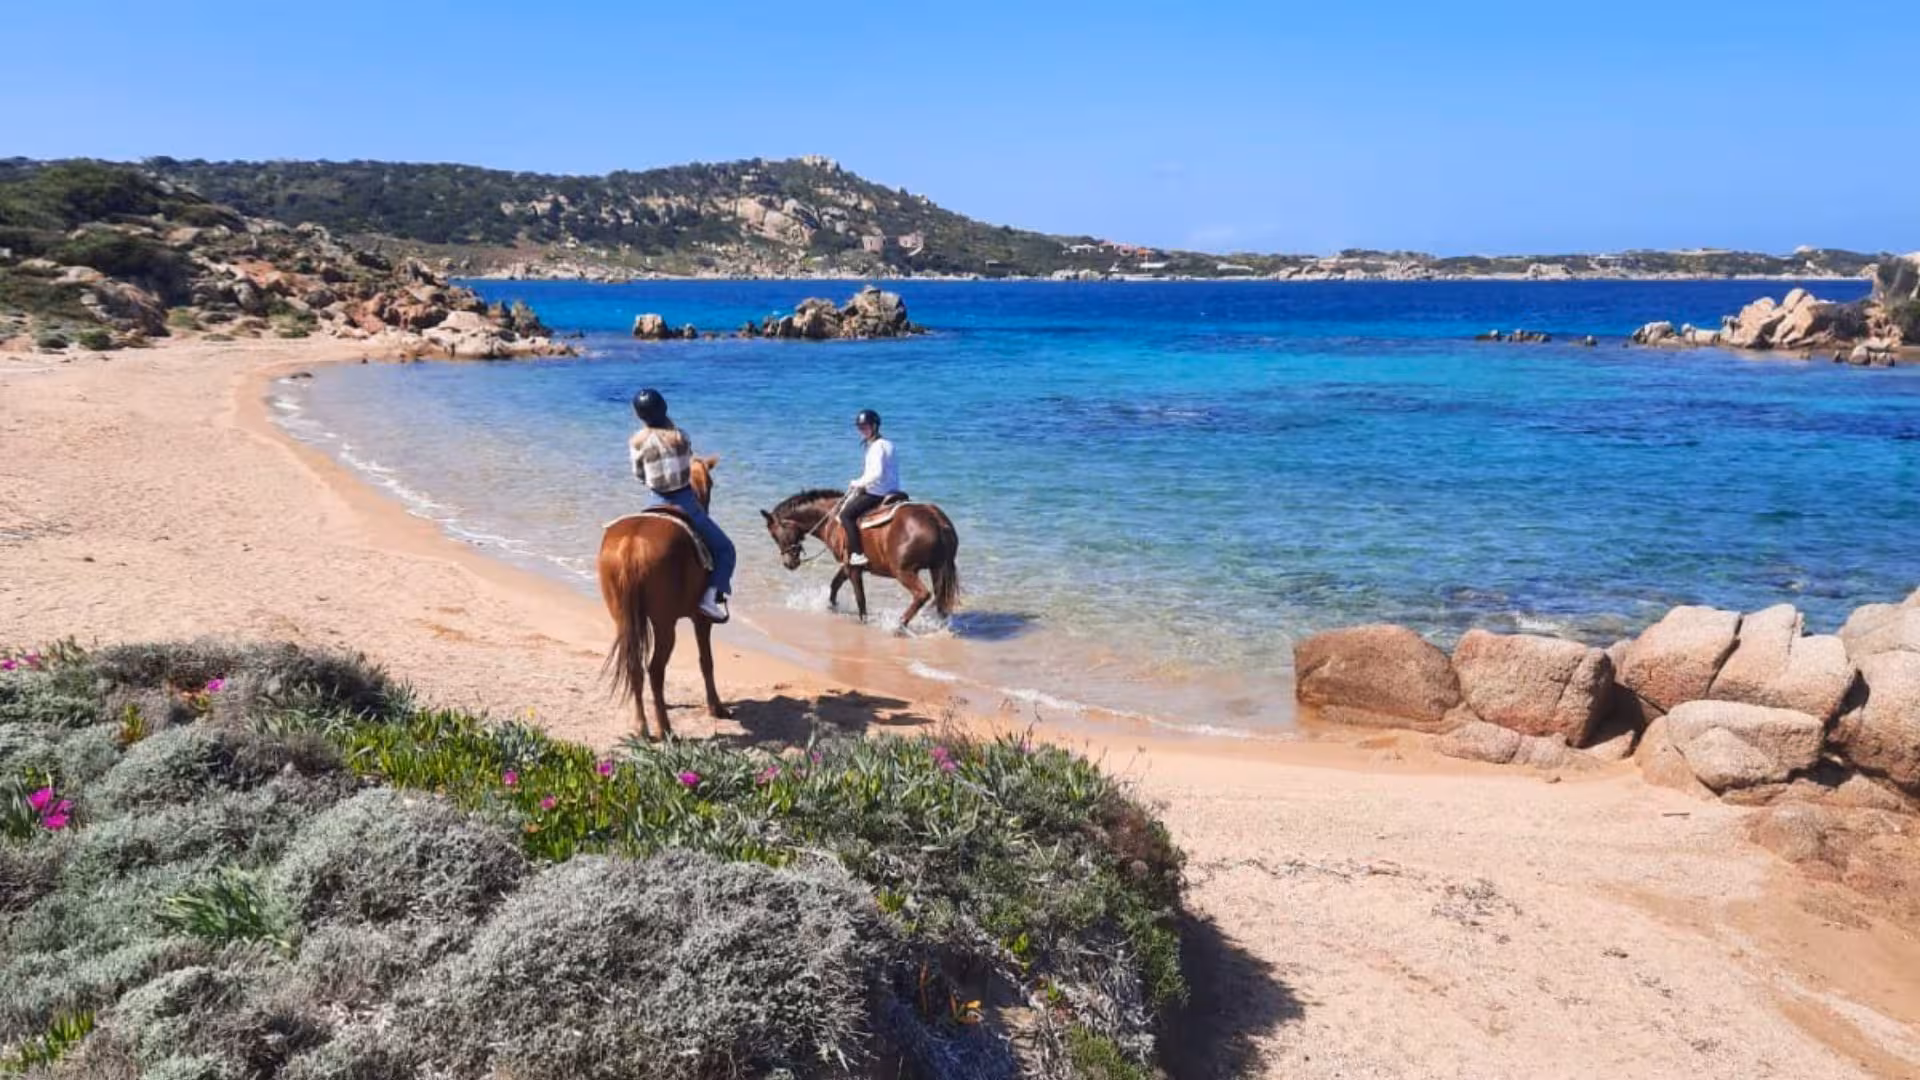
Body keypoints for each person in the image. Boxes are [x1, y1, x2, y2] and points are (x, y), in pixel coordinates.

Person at [629, 388, 734, 622]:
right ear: (664, 409)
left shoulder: (636, 442)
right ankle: (710, 598)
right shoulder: (681, 437)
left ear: (639, 416)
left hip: (654, 501)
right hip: (684, 501)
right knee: (726, 549)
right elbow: (687, 469)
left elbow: (638, 475)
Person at [839, 408, 899, 568]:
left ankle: (857, 554)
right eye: (860, 428)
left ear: (875, 426)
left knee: (846, 515)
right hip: (894, 490)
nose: (862, 431)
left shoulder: (876, 447)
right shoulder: (889, 444)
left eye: (865, 427)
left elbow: (877, 473)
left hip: (877, 493)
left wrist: (857, 483)